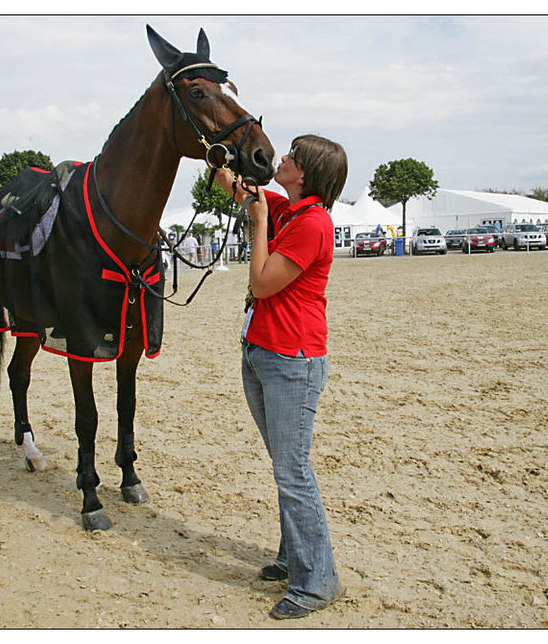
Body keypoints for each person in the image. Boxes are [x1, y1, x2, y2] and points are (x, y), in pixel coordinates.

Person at [216, 134, 348, 620]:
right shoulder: (286, 208)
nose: (282, 160)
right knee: (284, 464)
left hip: (292, 360)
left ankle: (318, 582)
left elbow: (262, 281)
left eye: (291, 158)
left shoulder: (310, 222)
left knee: (293, 470)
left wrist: (258, 224)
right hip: (264, 352)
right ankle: (293, 556)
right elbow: (230, 183)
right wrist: (217, 151)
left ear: (306, 174)